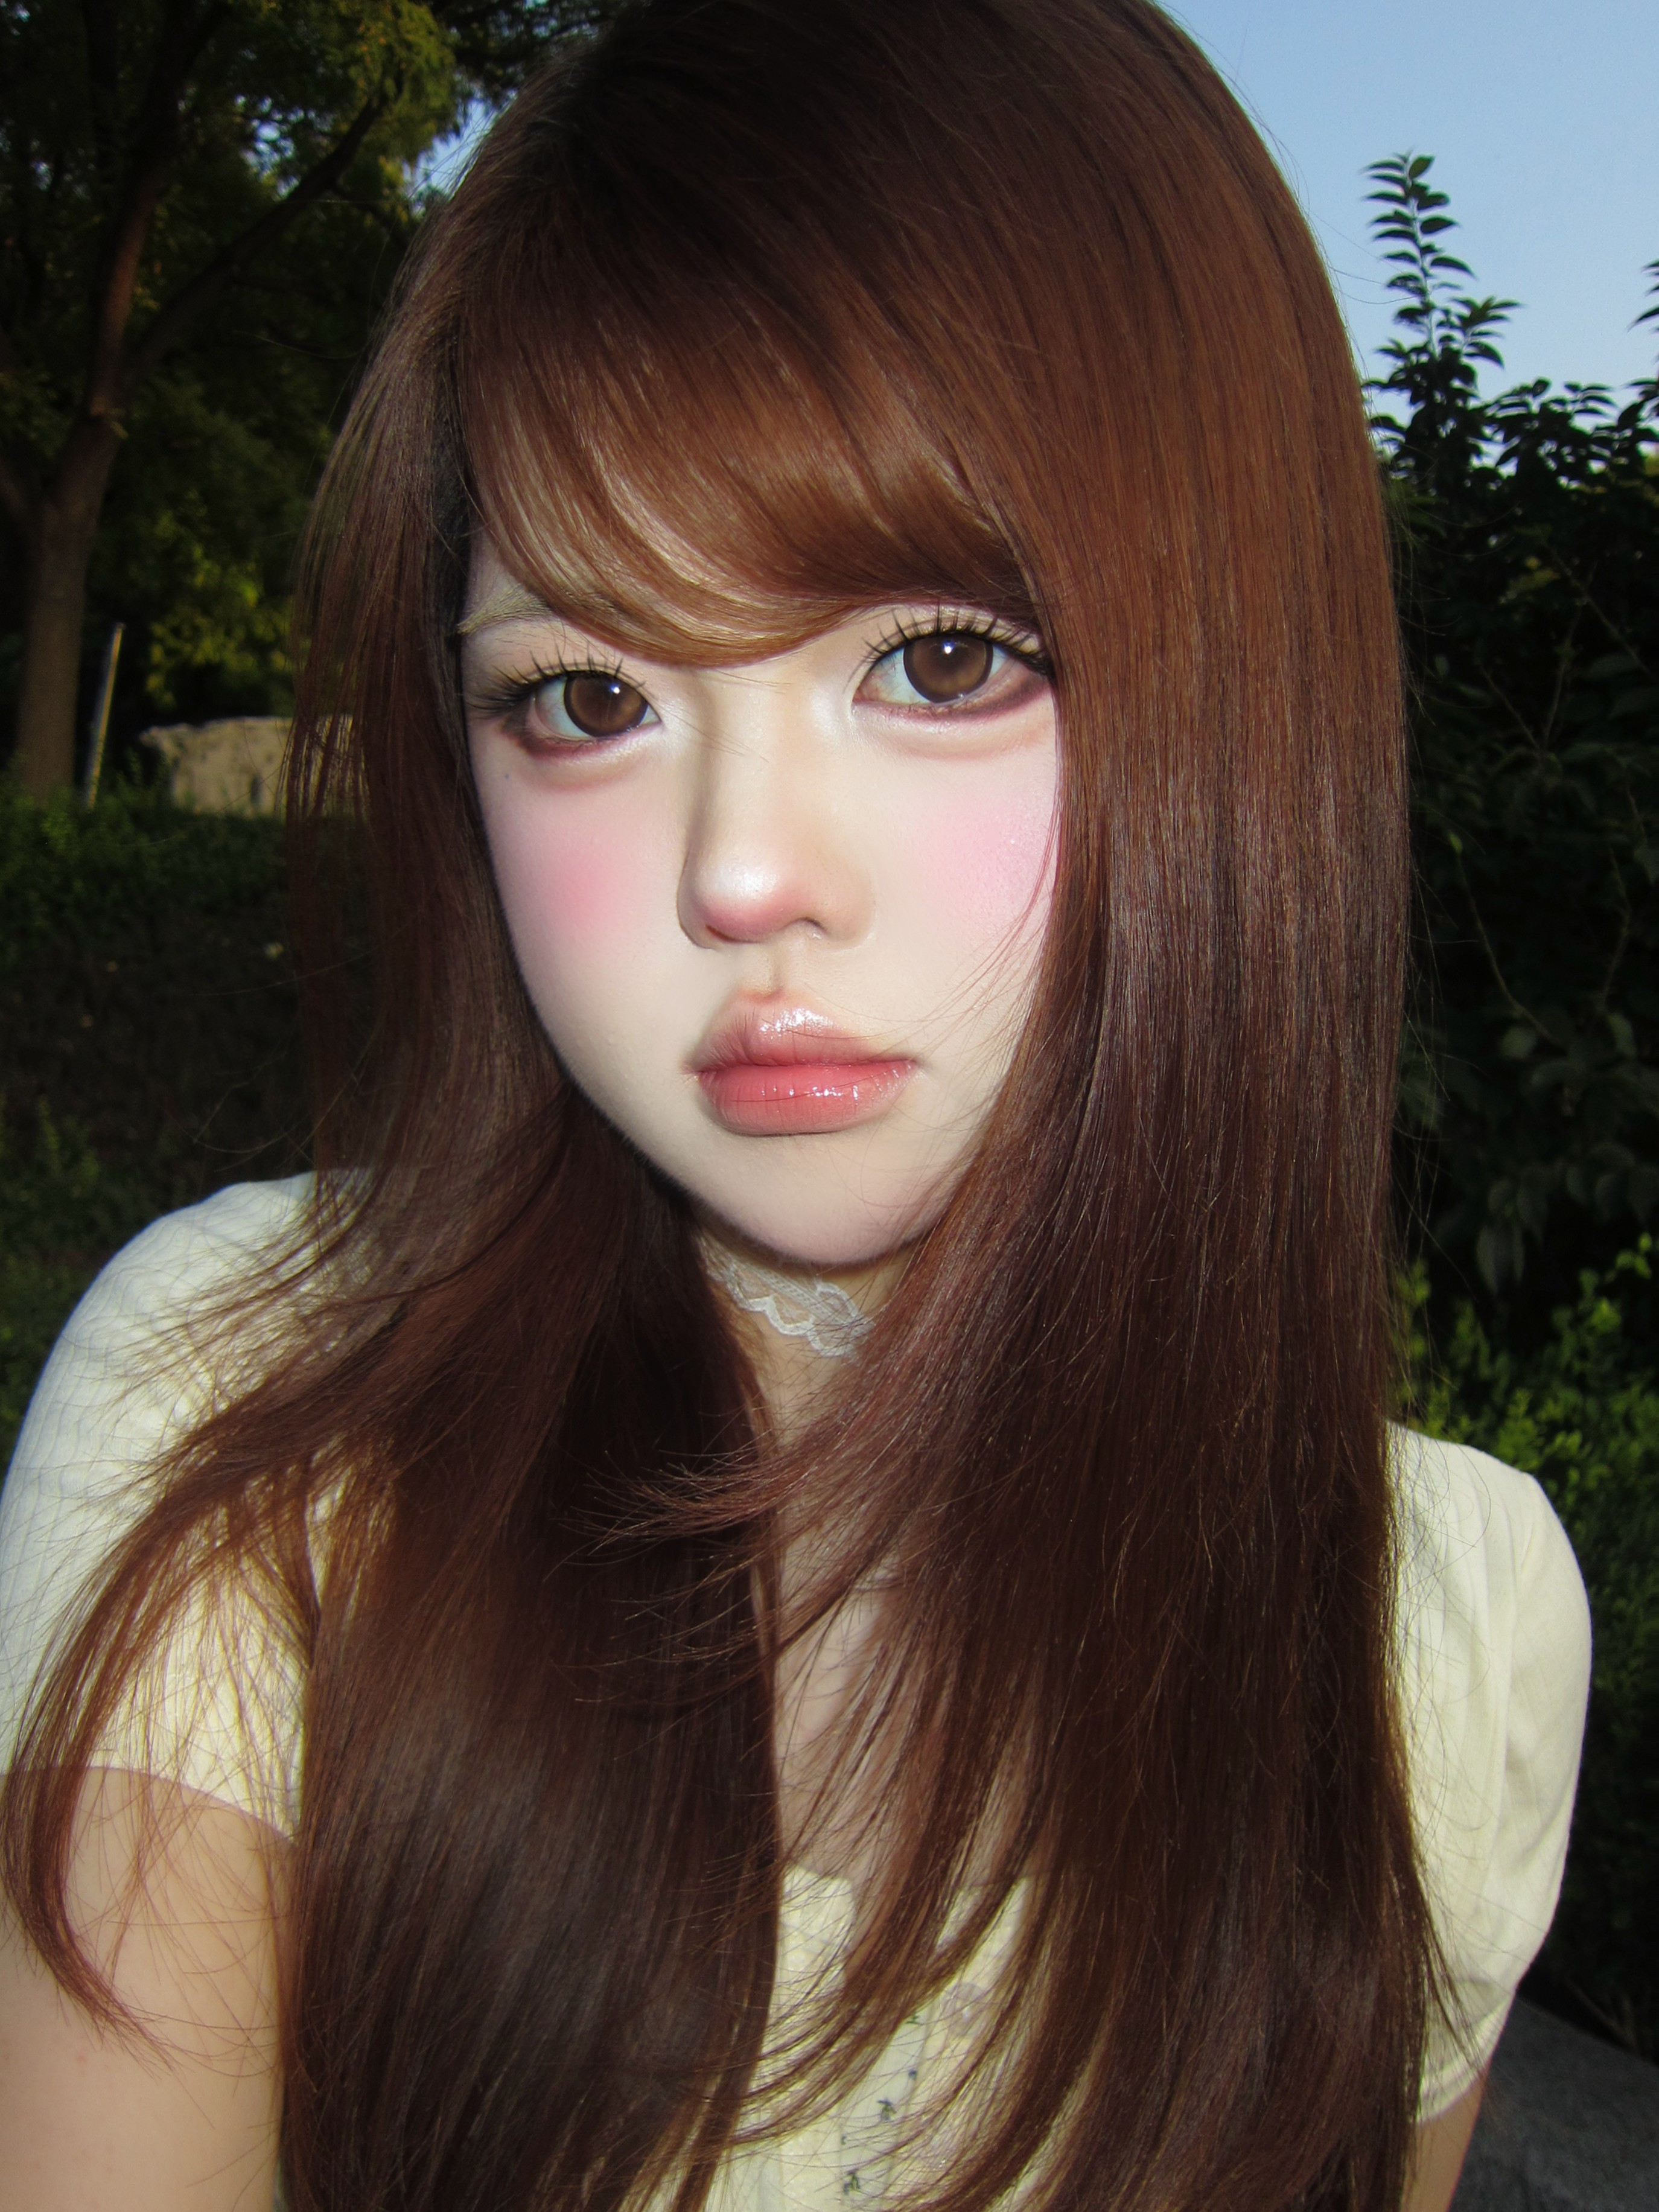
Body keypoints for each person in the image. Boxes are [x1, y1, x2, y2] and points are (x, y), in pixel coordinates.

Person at [0, 4, 1590, 2208]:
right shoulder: (256, 1439)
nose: (742, 871)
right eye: (585, 695)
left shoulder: (1441, 1640)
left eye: (937, 661)